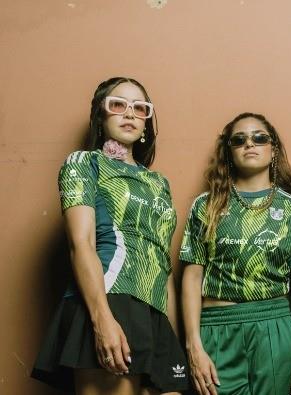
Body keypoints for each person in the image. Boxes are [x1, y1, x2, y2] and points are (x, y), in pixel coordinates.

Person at [31, 77, 188, 394]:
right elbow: (82, 245)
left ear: (146, 123)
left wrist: (171, 334)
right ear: (100, 117)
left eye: (140, 108)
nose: (130, 114)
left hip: (153, 311)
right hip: (111, 299)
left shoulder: (160, 183)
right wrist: (102, 321)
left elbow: (161, 262)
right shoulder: (84, 163)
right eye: (118, 105)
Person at [180, 112, 291, 395]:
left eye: (259, 138)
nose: (249, 144)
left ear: (273, 148)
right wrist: (194, 346)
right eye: (239, 140)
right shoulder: (206, 206)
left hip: (275, 328)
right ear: (229, 151)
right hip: (217, 329)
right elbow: (192, 279)